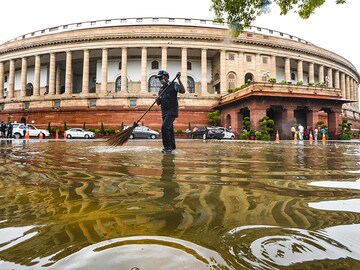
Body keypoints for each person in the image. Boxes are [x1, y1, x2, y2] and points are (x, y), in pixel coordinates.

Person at [156, 70, 185, 153]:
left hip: (172, 111)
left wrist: (179, 79)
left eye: (161, 77)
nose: (160, 80)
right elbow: (158, 103)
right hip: (164, 112)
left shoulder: (173, 84)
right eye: (159, 79)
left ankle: (167, 148)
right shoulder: (161, 90)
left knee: (164, 127)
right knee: (170, 130)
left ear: (166, 77)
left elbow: (182, 91)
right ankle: (172, 146)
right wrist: (158, 99)